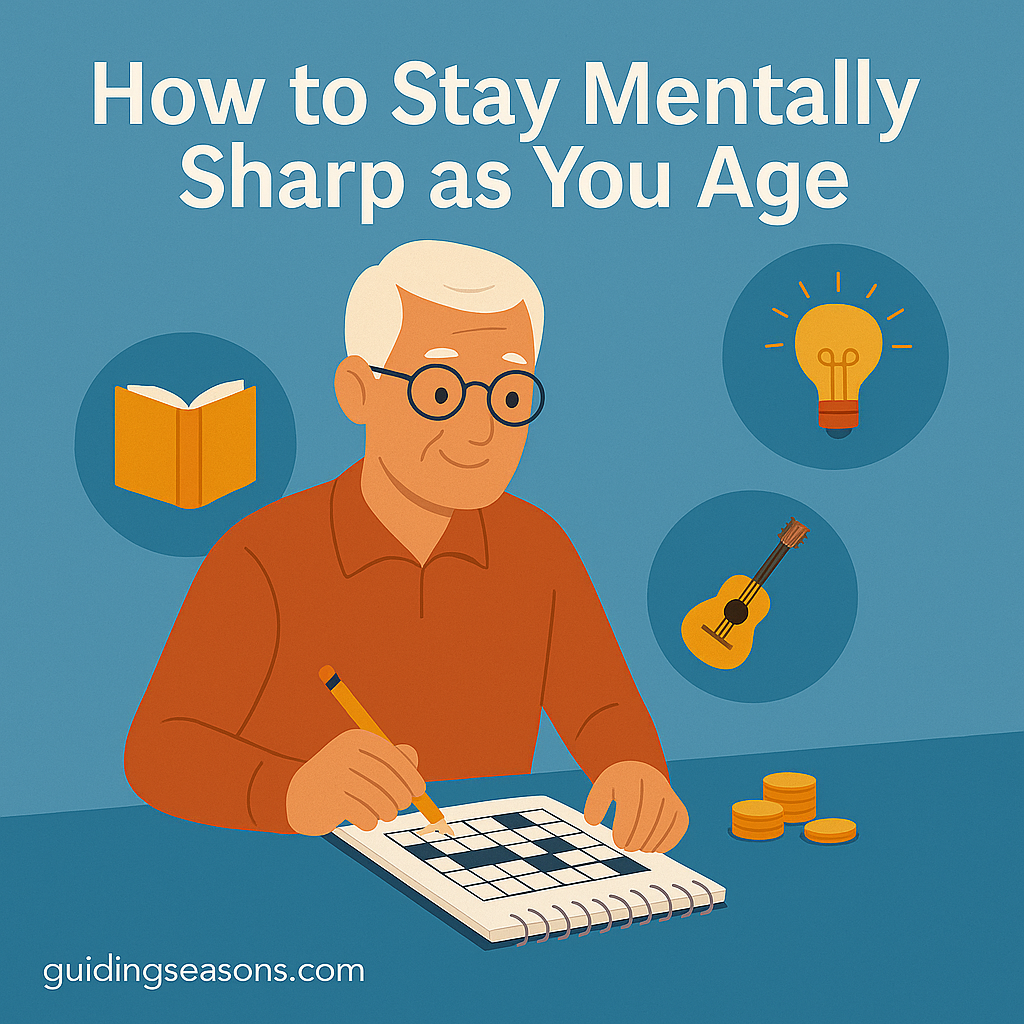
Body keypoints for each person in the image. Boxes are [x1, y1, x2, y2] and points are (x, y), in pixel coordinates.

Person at [124, 240, 689, 853]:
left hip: (493, 875)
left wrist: (633, 770)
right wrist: (292, 792)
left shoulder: (537, 546)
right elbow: (161, 749)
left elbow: (601, 705)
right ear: (359, 391)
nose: (481, 431)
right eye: (441, 393)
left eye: (509, 396)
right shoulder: (262, 555)